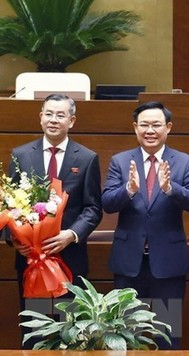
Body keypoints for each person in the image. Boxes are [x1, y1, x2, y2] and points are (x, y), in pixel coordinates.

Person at [102, 101, 189, 349]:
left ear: (168, 127)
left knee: (167, 335)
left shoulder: (184, 162)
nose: (150, 130)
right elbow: (107, 203)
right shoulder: (120, 161)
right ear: (135, 128)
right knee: (124, 335)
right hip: (129, 263)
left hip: (168, 263)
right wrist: (128, 189)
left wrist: (171, 189)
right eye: (144, 124)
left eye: (156, 124)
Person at [9, 93, 103, 348]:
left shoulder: (86, 158)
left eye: (60, 115)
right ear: (40, 117)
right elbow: (6, 204)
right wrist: (14, 240)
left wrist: (70, 235)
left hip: (69, 258)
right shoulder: (20, 155)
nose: (54, 120)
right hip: (31, 258)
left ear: (71, 121)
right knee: (35, 331)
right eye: (49, 114)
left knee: (70, 332)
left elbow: (93, 208)